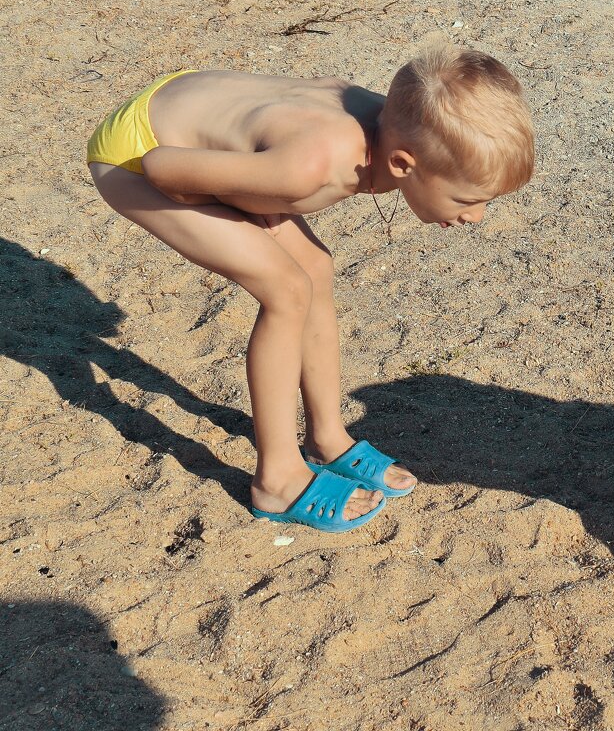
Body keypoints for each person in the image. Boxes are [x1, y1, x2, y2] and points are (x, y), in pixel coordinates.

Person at [86, 46, 535, 532]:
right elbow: (163, 168)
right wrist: (238, 195)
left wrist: (253, 188)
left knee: (314, 268)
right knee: (286, 290)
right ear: (404, 164)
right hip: (136, 154)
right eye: (469, 199)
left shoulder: (396, 124)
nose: (476, 217)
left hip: (194, 107)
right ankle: (277, 479)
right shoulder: (309, 168)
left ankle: (328, 438)